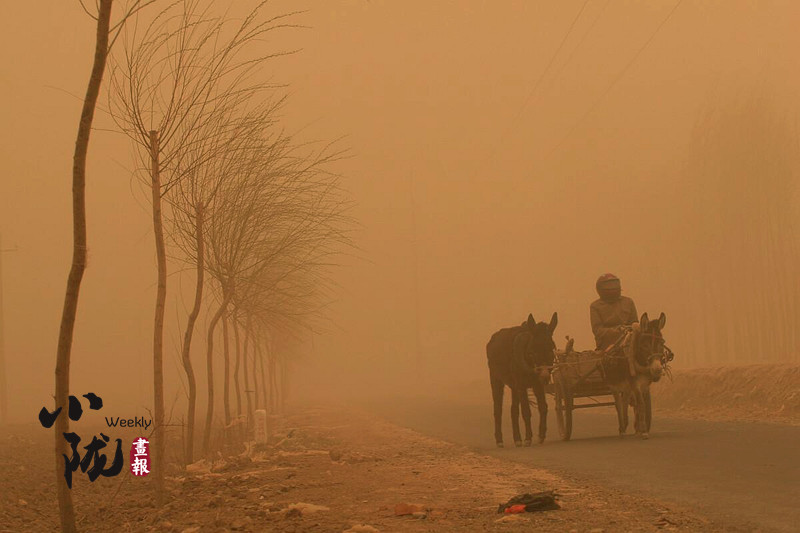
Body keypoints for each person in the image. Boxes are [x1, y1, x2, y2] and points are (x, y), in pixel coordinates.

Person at [590, 273, 638, 350]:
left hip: (629, 346)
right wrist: (618, 330)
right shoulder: (596, 306)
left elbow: (635, 324)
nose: (612, 288)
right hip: (607, 349)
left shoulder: (628, 302)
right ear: (600, 289)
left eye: (614, 285)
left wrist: (629, 330)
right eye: (608, 286)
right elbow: (598, 331)